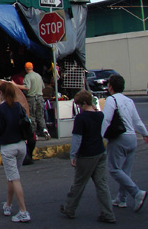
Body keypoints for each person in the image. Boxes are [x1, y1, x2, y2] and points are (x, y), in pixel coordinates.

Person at [60, 90, 115, 223]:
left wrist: (73, 155)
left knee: (79, 183)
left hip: (87, 154)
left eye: (79, 105)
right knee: (102, 184)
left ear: (84, 103)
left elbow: (77, 139)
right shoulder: (99, 115)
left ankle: (70, 208)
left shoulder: (81, 118)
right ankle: (108, 213)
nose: (78, 107)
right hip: (100, 151)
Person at [101, 74, 148, 212]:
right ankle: (121, 199)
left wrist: (100, 137)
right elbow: (137, 121)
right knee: (125, 171)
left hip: (119, 138)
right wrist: (145, 133)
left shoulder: (111, 100)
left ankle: (137, 193)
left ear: (110, 87)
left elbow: (106, 120)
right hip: (132, 138)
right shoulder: (129, 101)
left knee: (114, 169)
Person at [0, 82, 31, 223]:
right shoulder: (19, 107)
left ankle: (23, 211)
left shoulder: (0, 109)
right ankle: (7, 204)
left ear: (1, 93)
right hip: (21, 145)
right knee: (13, 177)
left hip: (8, 146)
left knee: (14, 179)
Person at [14, 62, 50, 140]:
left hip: (31, 98)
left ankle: (34, 134)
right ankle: (45, 130)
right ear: (32, 68)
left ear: (26, 69)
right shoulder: (38, 76)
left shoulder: (27, 77)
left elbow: (27, 87)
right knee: (40, 115)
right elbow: (43, 86)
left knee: (32, 116)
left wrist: (16, 85)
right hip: (40, 97)